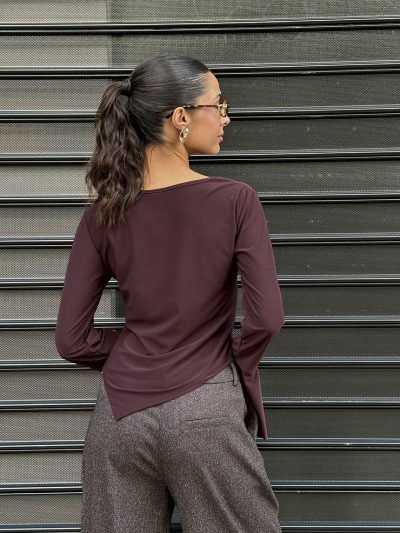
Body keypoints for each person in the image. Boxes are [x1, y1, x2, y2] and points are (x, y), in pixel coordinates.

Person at [55, 54, 285, 533]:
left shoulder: (102, 215)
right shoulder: (235, 200)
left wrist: (140, 350)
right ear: (181, 117)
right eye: (218, 105)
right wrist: (225, 367)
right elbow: (266, 319)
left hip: (119, 419)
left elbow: (72, 340)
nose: (225, 117)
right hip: (205, 410)